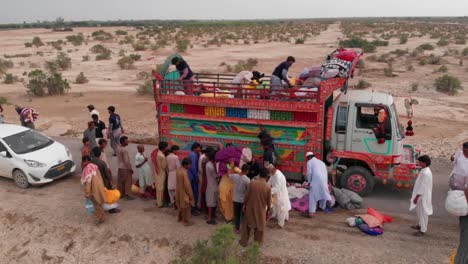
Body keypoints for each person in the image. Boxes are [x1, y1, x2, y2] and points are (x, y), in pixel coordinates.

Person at [239, 168, 272, 247]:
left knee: (247, 226)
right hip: (261, 211)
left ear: (259, 174)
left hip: (250, 208)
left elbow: (246, 196)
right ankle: (256, 245)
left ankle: (243, 242)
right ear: (267, 177)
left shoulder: (252, 183)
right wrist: (269, 210)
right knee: (259, 228)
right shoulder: (268, 187)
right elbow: (269, 202)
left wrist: (244, 204)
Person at [450, 142, 468, 263]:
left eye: (466, 150)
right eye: (463, 149)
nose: (464, 151)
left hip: (464, 189)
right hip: (457, 187)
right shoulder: (460, 154)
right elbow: (454, 161)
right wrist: (452, 158)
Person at [410, 155, 433, 237]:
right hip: (421, 195)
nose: (419, 163)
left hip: (422, 196)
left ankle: (422, 230)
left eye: (420, 162)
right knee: (419, 212)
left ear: (424, 163)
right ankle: (420, 225)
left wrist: (417, 196)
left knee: (423, 213)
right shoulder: (425, 170)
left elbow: (423, 186)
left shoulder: (426, 173)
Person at [306, 152, 332, 217]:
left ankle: (311, 212)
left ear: (308, 157)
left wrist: (309, 182)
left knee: (312, 195)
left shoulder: (309, 162)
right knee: (323, 193)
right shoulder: (321, 162)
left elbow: (309, 173)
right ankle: (322, 207)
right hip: (324, 180)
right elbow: (325, 172)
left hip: (316, 180)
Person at [81, 155, 106, 224]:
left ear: (86, 161)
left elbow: (88, 183)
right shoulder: (94, 167)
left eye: (84, 161)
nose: (83, 163)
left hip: (93, 190)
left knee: (96, 205)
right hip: (99, 187)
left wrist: (87, 193)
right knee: (99, 203)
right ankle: (102, 215)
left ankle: (100, 218)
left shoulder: (87, 170)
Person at [230, 163, 251, 233]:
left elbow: (228, 173)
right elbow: (248, 191)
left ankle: (237, 229)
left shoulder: (234, 176)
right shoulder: (247, 180)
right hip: (242, 200)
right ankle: (243, 229)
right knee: (243, 216)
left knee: (236, 215)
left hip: (235, 199)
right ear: (247, 171)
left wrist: (229, 165)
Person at [175, 158, 195, 226]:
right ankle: (185, 221)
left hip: (178, 190)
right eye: (190, 165)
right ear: (186, 165)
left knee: (180, 205)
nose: (190, 166)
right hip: (184, 191)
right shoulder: (184, 173)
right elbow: (187, 185)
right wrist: (190, 195)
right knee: (186, 207)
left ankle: (179, 217)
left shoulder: (178, 170)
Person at [152, 141, 168, 207]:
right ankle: (160, 203)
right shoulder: (162, 156)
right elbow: (164, 166)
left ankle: (158, 202)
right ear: (164, 147)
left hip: (157, 172)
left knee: (158, 188)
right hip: (161, 173)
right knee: (160, 189)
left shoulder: (157, 153)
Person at [117, 136, 134, 200]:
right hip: (125, 168)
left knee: (121, 182)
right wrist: (130, 169)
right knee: (128, 182)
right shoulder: (124, 150)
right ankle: (128, 195)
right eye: (126, 141)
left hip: (120, 167)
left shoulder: (118, 148)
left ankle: (121, 194)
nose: (128, 142)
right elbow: (126, 161)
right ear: (123, 142)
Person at [205, 149, 218, 225]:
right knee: (211, 202)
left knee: (212, 202)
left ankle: (211, 216)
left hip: (212, 185)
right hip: (212, 185)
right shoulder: (211, 166)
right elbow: (215, 176)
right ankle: (210, 218)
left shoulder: (209, 164)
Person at [188, 142, 201, 213]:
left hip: (192, 176)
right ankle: (193, 208)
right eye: (199, 147)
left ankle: (193, 207)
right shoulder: (193, 155)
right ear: (195, 148)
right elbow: (193, 168)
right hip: (192, 177)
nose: (200, 149)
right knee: (194, 193)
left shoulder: (195, 154)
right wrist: (196, 177)